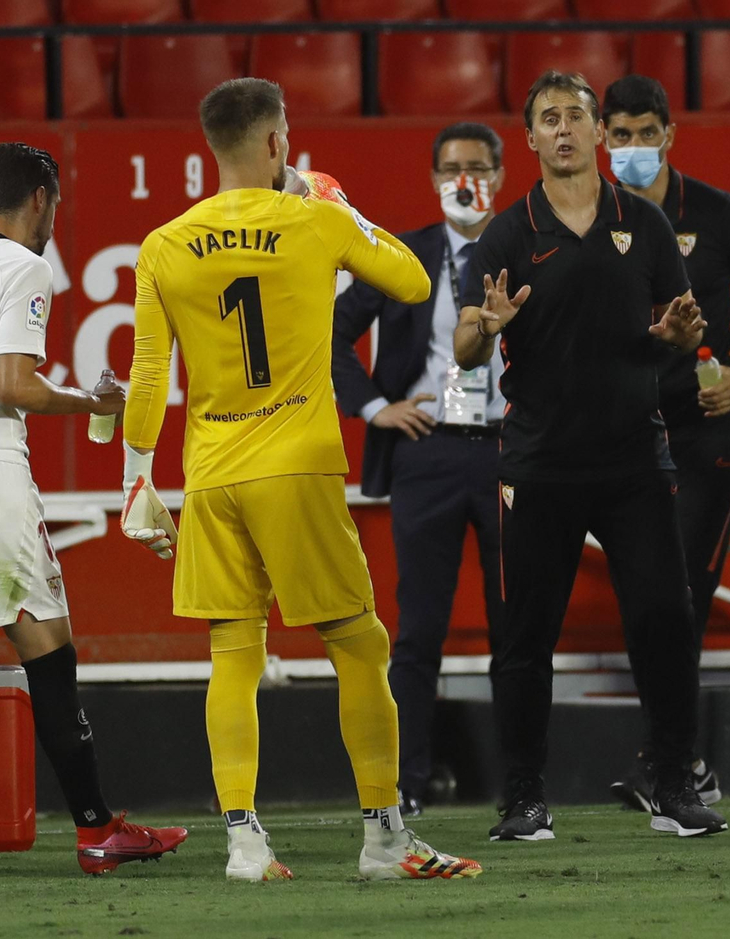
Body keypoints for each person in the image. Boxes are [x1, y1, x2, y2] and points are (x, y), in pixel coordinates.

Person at [121, 78, 480, 882]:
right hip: (297, 464)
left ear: (212, 147)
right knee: (359, 643)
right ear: (279, 144)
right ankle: (386, 839)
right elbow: (416, 281)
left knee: (233, 653)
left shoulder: (164, 242)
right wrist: (338, 204)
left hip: (210, 473)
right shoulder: (315, 216)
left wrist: (136, 478)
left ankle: (246, 843)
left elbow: (149, 373)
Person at [0, 143, 187, 881]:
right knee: (49, 650)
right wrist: (94, 399)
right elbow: (15, 385)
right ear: (43, 199)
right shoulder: (26, 268)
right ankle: (96, 828)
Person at [453, 70, 726, 842]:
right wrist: (489, 323)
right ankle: (523, 798)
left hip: (636, 461)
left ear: (598, 133)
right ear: (532, 138)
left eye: (577, 115)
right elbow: (466, 348)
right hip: (539, 463)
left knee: (665, 624)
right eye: (550, 118)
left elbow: (682, 327)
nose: (566, 129)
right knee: (524, 637)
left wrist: (681, 334)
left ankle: (674, 786)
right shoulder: (506, 235)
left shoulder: (640, 222)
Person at [600, 74, 730, 812]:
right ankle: (672, 756)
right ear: (602, 138)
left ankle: (674, 761)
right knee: (645, 598)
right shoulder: (584, 216)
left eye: (647, 133)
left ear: (670, 134)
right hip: (618, 430)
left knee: (680, 596)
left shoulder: (718, 213)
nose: (634, 147)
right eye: (622, 134)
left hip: (704, 427)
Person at [331, 122, 507, 818]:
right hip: (428, 450)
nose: (465, 178)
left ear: (499, 173)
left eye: (478, 165)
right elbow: (329, 333)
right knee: (418, 628)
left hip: (506, 450)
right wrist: (376, 405)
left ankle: (522, 786)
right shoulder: (403, 254)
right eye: (452, 167)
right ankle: (404, 782)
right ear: (435, 178)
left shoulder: (528, 249)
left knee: (516, 624)